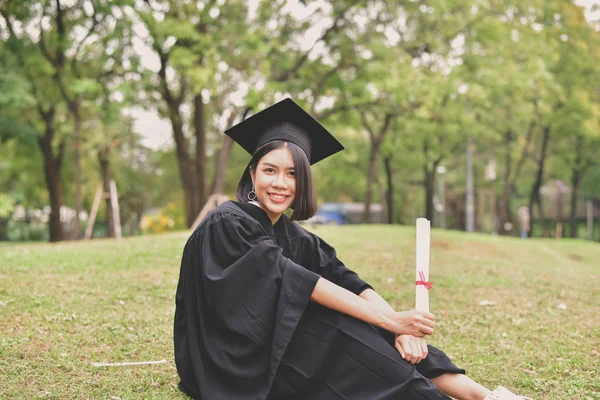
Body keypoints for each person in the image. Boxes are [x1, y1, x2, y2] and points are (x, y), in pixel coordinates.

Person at [174, 98, 527, 400]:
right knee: (344, 333)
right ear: (252, 174)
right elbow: (292, 280)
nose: (281, 183)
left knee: (370, 328)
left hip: (280, 340)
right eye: (270, 170)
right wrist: (389, 320)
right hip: (234, 358)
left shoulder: (295, 235)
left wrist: (399, 329)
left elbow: (347, 280)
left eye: (293, 173)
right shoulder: (227, 221)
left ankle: (481, 394)